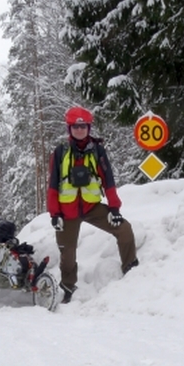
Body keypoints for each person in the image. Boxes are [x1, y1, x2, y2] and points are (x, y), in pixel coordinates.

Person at [47, 106, 138, 303]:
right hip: (67, 211)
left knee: (124, 229)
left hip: (92, 208)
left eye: (83, 126)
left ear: (89, 128)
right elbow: (53, 186)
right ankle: (68, 286)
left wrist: (114, 208)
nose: (79, 130)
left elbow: (109, 181)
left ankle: (132, 271)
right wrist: (55, 214)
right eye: (75, 126)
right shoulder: (60, 153)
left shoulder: (98, 151)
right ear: (69, 128)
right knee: (67, 253)